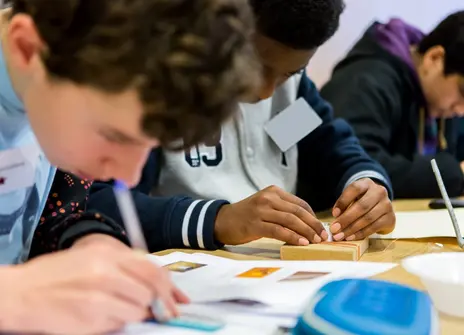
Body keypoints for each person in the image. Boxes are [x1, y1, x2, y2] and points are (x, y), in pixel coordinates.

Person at [0, 0, 258, 333]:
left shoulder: (50, 95)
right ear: (27, 49)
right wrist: (13, 296)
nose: (129, 176)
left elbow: (51, 217)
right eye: (115, 136)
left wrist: (89, 241)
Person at [85, 0, 396, 253]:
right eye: (256, 67)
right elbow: (102, 203)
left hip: (283, 268)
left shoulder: (286, 93)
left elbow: (331, 148)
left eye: (289, 74)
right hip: (192, 270)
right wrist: (219, 220)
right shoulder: (165, 84)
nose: (265, 92)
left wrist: (365, 185)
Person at [320, 12, 464, 198]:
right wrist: (455, 174)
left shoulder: (442, 102)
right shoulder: (364, 80)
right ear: (434, 58)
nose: (461, 110)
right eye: (462, 92)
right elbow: (352, 165)